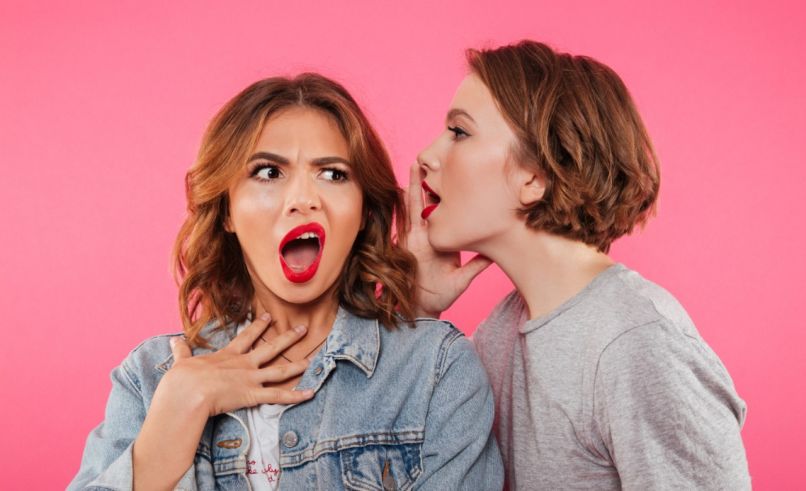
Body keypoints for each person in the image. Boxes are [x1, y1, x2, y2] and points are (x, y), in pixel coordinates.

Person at [70, 74, 502, 490]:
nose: (302, 200)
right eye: (268, 173)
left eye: (332, 174)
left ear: (362, 213)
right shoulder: (150, 380)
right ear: (226, 212)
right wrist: (171, 424)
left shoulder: (435, 373)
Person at [406, 40, 750, 489]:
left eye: (460, 132)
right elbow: (398, 455)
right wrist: (418, 312)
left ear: (535, 176)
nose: (428, 156)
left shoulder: (638, 345)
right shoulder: (500, 335)